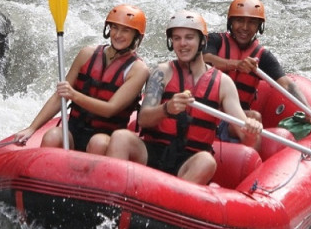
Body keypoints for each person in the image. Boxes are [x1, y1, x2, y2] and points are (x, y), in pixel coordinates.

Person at [104, 10, 262, 184]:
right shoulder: (162, 72)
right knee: (121, 137)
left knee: (206, 161)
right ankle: (112, 205)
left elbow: (243, 133)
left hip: (189, 161)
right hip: (154, 151)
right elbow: (143, 120)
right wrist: (166, 109)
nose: (182, 44)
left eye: (189, 37)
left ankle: (164, 205)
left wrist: (252, 130)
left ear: (202, 41)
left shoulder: (223, 83)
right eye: (177, 38)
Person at [14, 4, 150, 154]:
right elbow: (60, 96)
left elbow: (110, 110)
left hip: (106, 138)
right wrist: (32, 128)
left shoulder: (138, 70)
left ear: (136, 36)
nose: (118, 34)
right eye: (115, 28)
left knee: (97, 143)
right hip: (74, 130)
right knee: (52, 136)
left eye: (126, 30)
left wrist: (73, 95)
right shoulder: (87, 54)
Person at [203, 0, 311, 144]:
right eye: (240, 21)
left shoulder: (263, 57)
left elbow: (287, 84)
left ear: (259, 27)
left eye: (252, 23)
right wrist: (237, 64)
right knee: (253, 118)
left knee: (253, 118)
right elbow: (205, 59)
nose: (245, 28)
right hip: (206, 112)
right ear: (231, 22)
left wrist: (308, 109)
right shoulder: (215, 40)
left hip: (236, 118)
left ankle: (254, 163)